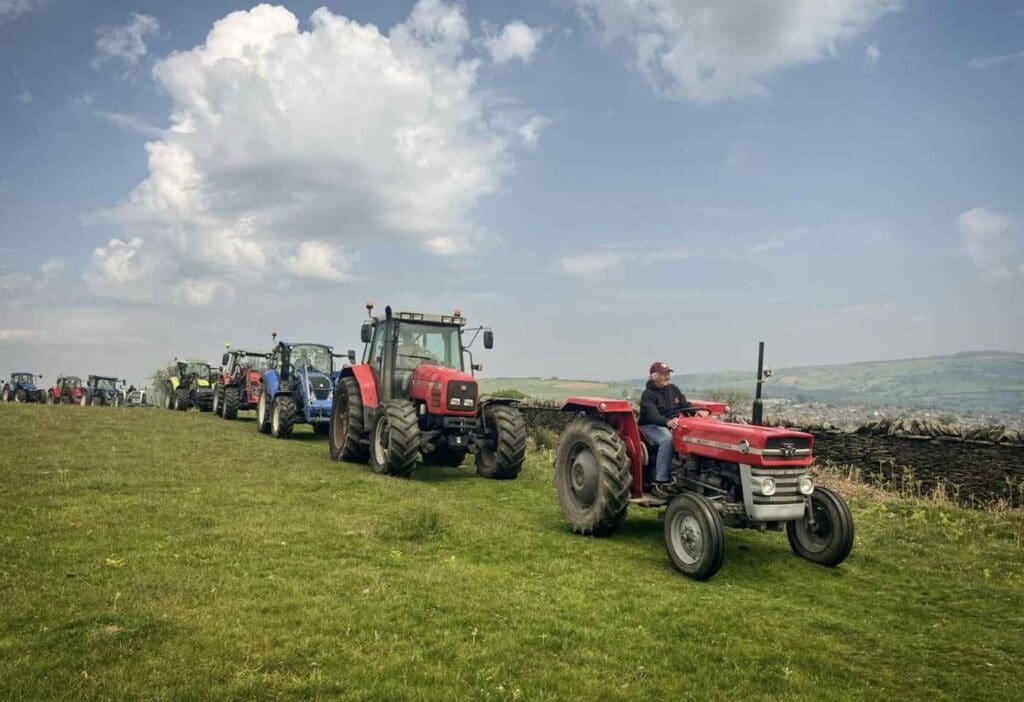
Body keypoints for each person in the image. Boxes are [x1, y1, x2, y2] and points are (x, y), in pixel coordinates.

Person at [639, 361, 695, 495]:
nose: (667, 377)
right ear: (654, 376)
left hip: (673, 423)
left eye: (668, 373)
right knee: (667, 440)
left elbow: (685, 405)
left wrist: (697, 413)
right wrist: (667, 422)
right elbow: (652, 416)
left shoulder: (673, 389)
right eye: (664, 374)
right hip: (651, 425)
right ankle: (660, 482)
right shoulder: (648, 395)